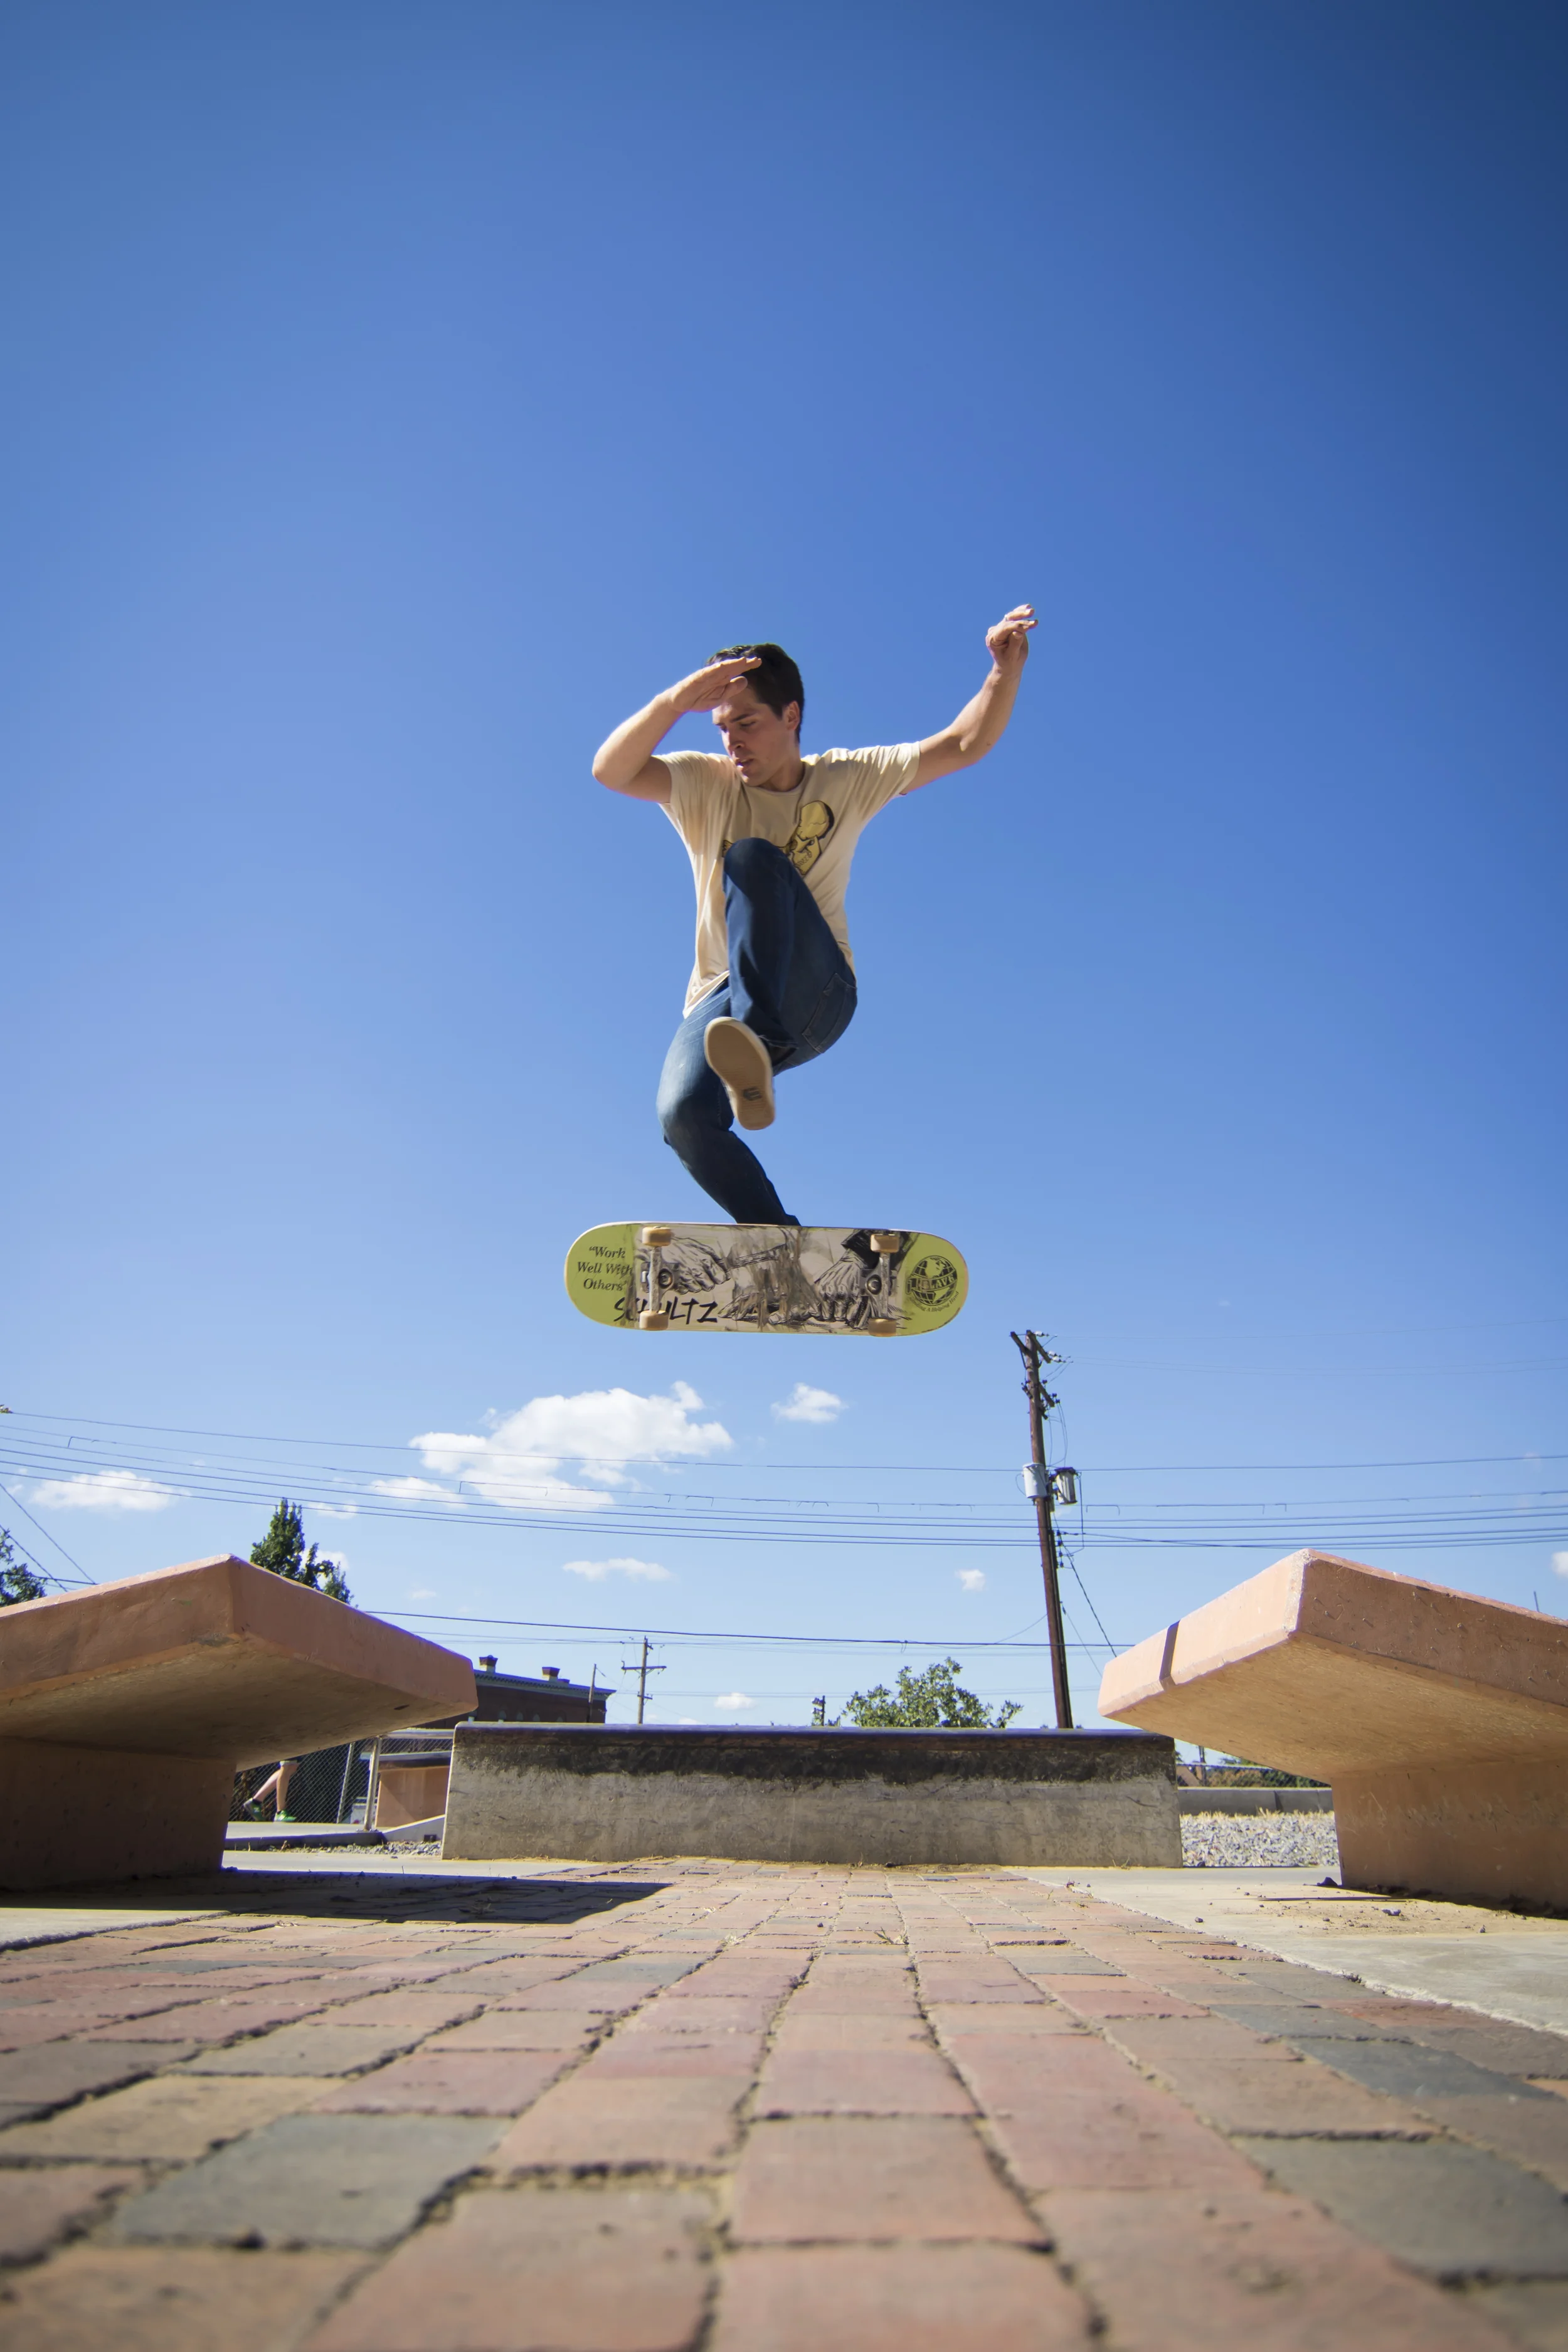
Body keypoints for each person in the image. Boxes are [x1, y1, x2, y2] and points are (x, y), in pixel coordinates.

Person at [592, 608, 1035, 1223]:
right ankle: (775, 1242)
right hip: (717, 1002)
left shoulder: (846, 779)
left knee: (753, 860)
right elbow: (610, 771)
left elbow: (963, 744)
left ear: (791, 716)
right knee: (683, 1116)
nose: (732, 743)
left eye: (746, 723)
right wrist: (672, 703)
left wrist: (1002, 672)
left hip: (815, 993)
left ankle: (760, 1033)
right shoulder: (705, 782)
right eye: (721, 727)